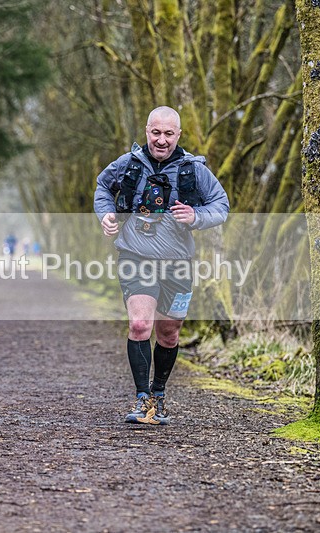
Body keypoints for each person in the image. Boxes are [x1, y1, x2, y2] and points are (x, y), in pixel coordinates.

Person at [93, 106, 229, 425]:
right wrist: (107, 216)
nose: (162, 140)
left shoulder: (193, 170)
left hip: (178, 263)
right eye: (156, 132)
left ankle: (158, 394)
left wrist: (197, 217)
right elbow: (102, 187)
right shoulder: (129, 164)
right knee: (141, 325)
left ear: (178, 135)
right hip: (135, 256)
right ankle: (142, 400)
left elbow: (221, 206)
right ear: (147, 131)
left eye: (169, 134)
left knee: (168, 333)